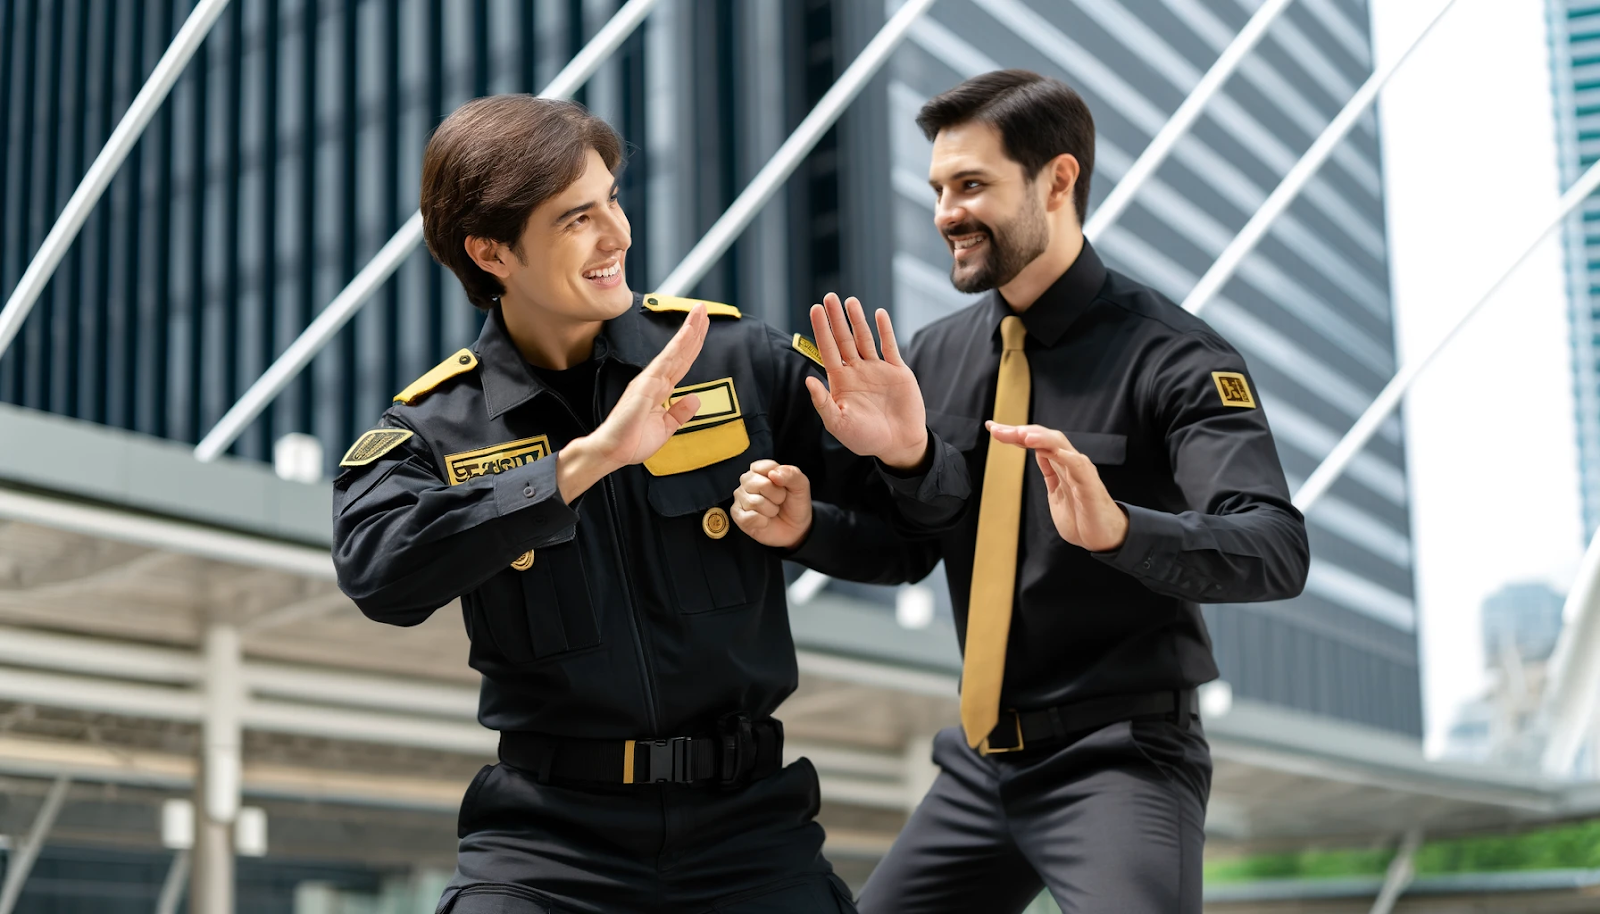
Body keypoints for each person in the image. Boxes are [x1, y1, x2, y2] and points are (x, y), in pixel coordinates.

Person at [329, 94, 968, 914]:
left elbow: (913, 543)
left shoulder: (739, 361)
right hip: (547, 847)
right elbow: (381, 576)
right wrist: (586, 461)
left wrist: (901, 459)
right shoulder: (433, 428)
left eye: (613, 202)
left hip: (751, 836)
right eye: (575, 219)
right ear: (490, 251)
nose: (618, 236)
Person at [730, 70, 1310, 913]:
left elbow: (1275, 549)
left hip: (1120, 758)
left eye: (972, 186)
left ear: (1059, 179)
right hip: (977, 763)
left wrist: (1120, 529)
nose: (945, 214)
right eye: (937, 188)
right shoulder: (932, 358)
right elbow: (905, 552)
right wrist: (803, 527)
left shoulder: (1178, 359)